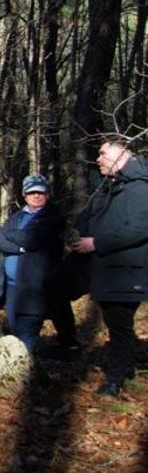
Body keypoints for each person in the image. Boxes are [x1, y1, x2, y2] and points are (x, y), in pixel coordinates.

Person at [74, 138, 148, 397]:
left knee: (119, 326)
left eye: (103, 153)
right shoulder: (112, 186)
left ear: (121, 154)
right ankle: (114, 369)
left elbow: (139, 229)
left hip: (126, 272)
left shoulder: (140, 187)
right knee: (115, 324)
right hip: (107, 269)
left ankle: (115, 381)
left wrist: (97, 243)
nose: (98, 159)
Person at [0, 175, 65, 353]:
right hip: (12, 288)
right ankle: (28, 363)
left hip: (35, 288)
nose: (36, 196)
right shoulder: (17, 216)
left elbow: (32, 239)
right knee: (16, 333)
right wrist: (20, 248)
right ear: (24, 195)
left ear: (47, 194)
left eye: (40, 192)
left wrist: (11, 235)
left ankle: (26, 366)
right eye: (32, 192)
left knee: (26, 335)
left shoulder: (52, 216)